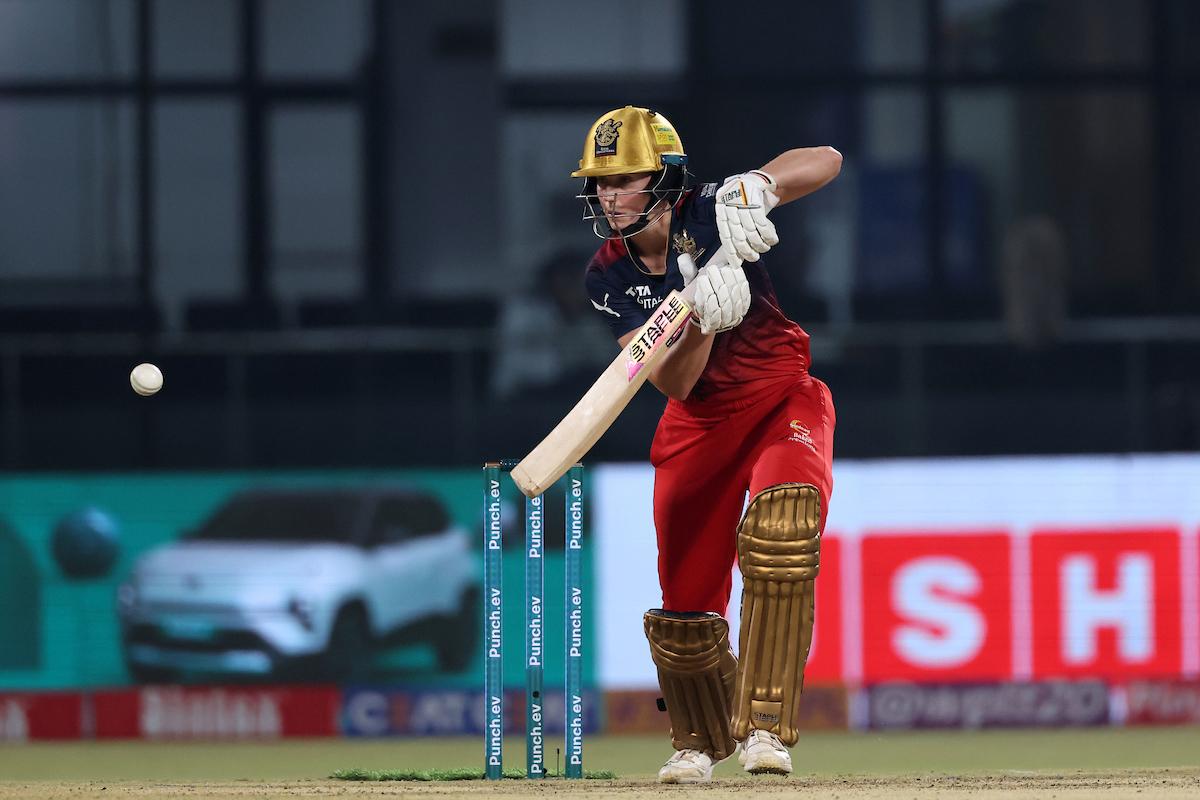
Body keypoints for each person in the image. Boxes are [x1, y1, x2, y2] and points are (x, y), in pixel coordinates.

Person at [574, 106, 841, 783]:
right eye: (600, 183)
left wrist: (759, 183)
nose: (608, 195)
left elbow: (826, 160)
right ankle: (697, 741)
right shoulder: (607, 275)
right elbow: (674, 382)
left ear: (664, 178)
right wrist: (700, 321)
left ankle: (766, 729)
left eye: (623, 179)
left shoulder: (712, 211)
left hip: (781, 399)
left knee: (783, 529)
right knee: (686, 609)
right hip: (696, 425)